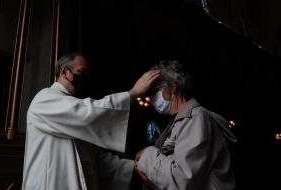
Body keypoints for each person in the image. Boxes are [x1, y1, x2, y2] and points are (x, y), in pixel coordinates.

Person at [21, 53, 160, 190]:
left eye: (88, 73)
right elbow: (85, 114)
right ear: (64, 72)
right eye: (81, 72)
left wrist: (134, 168)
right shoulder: (45, 98)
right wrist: (132, 94)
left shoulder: (73, 107)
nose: (86, 77)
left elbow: (96, 159)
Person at [134, 60, 237, 190]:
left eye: (156, 91)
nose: (152, 97)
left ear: (172, 87)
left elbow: (181, 180)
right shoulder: (179, 122)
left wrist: (147, 156)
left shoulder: (196, 118)